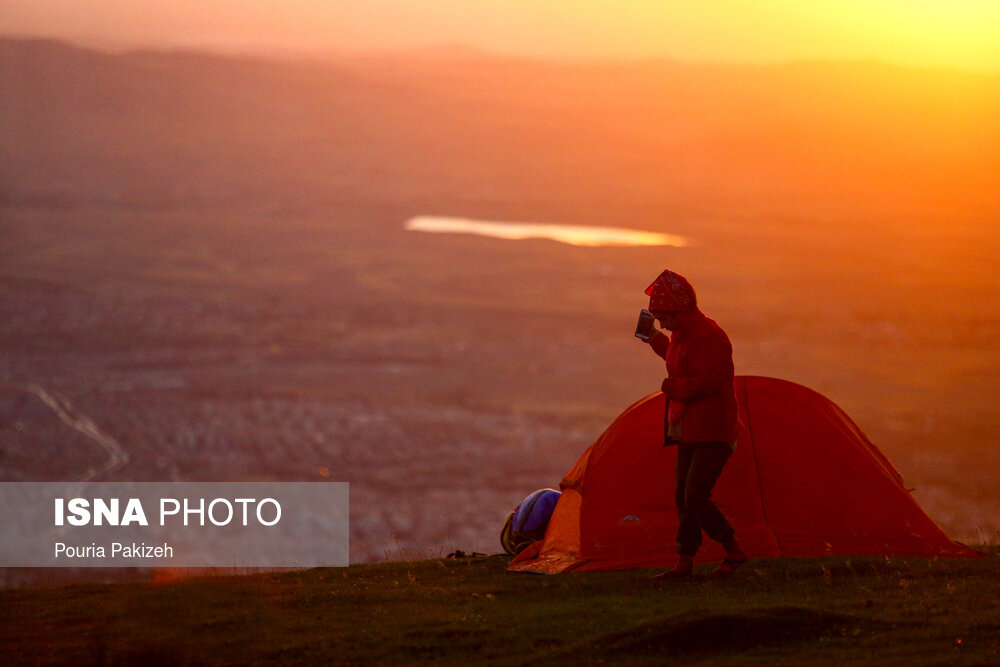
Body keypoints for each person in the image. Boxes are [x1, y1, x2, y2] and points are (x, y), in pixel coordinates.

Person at [641, 269, 746, 577]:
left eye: (664, 319)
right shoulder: (682, 335)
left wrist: (673, 389)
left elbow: (709, 382)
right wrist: (653, 339)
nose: (663, 325)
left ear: (680, 309)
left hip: (714, 430)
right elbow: (675, 357)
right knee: (682, 497)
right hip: (688, 428)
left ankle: (733, 550)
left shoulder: (710, 336)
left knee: (695, 496)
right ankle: (684, 561)